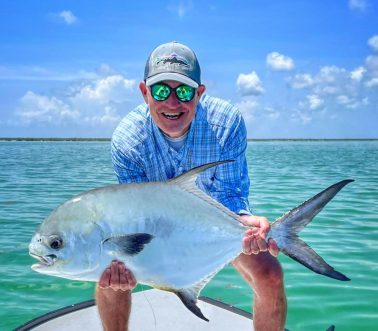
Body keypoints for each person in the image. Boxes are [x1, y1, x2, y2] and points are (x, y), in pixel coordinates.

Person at [95, 41, 287, 331]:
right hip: (156, 233)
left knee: (270, 274)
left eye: (183, 91)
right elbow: (135, 213)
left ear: (200, 93)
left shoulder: (227, 122)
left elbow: (230, 195)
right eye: (161, 90)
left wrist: (245, 224)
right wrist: (139, 261)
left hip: (217, 224)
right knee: (110, 278)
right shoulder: (127, 139)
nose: (172, 103)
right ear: (144, 92)